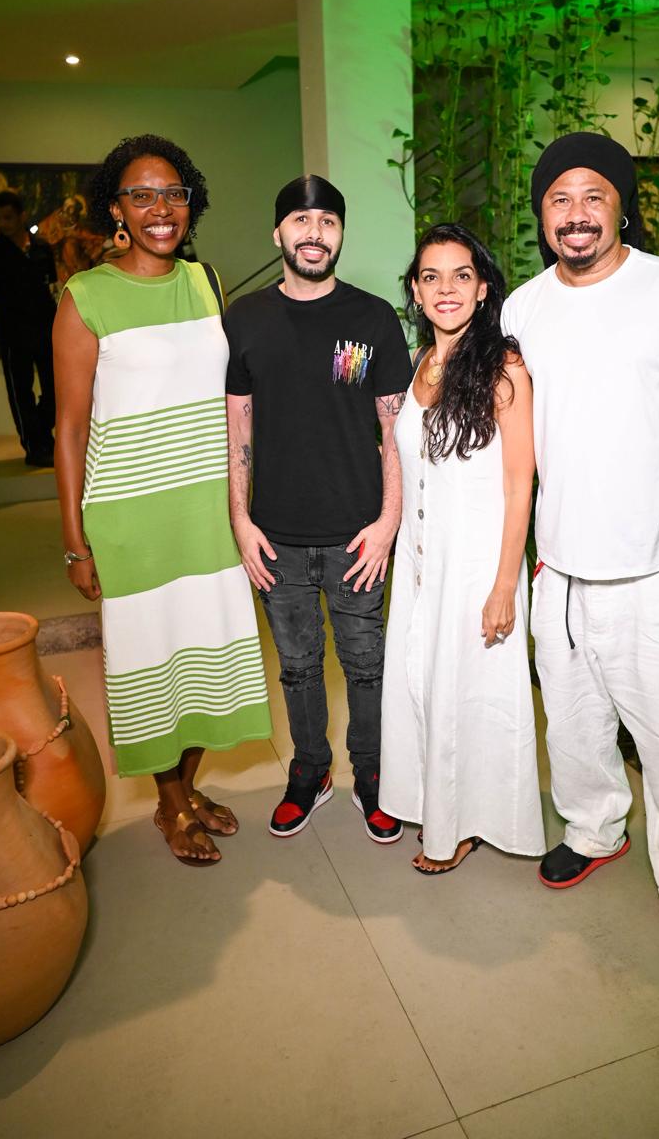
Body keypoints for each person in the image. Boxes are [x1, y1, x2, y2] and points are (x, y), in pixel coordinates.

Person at [501, 131, 659, 967]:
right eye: (559, 199)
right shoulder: (523, 308)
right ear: (541, 215)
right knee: (571, 726)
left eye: (592, 196)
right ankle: (595, 829)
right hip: (561, 570)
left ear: (621, 206)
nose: (575, 215)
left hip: (656, 572)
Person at [53, 133, 271, 866]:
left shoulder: (207, 281)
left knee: (210, 659)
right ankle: (170, 803)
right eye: (141, 195)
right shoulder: (86, 297)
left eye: (173, 193)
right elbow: (70, 430)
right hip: (132, 518)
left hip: (209, 510)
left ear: (191, 202)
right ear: (116, 206)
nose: (159, 208)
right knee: (152, 665)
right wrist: (76, 542)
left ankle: (189, 786)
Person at [224, 175, 412, 843]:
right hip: (276, 534)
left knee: (367, 665)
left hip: (357, 533)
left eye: (327, 221)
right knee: (299, 666)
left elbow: (394, 431)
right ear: (279, 233)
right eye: (300, 220)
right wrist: (241, 521)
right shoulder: (244, 319)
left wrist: (389, 522)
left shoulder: (372, 318)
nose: (314, 232)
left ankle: (373, 774)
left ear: (340, 234)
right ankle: (310, 771)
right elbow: (237, 429)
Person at [380, 225, 546, 873]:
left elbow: (518, 482)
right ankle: (436, 803)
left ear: (482, 289)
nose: (445, 289)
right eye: (431, 276)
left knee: (470, 698)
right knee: (424, 686)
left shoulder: (504, 368)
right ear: (416, 291)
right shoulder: (423, 359)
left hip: (478, 561)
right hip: (423, 561)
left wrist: (505, 584)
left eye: (460, 276)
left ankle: (460, 826)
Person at [0, 190, 57, 467]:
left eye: (8, 217)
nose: (3, 223)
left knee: (55, 390)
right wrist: (11, 321)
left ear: (22, 216)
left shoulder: (42, 248)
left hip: (47, 331)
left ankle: (43, 433)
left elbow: (51, 287)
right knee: (20, 393)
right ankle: (35, 448)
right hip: (14, 336)